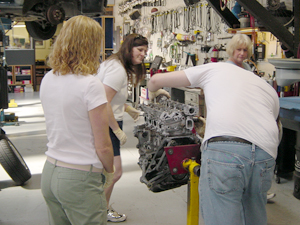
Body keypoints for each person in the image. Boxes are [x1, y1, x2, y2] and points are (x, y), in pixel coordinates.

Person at [148, 61, 280, 225]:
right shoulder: (266, 86)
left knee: (222, 216)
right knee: (254, 214)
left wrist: (153, 91)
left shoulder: (215, 68)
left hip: (226, 151)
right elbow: (271, 121)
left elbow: (155, 80)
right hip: (265, 153)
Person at [40, 15, 114, 225]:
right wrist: (110, 171)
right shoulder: (90, 84)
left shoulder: (48, 78)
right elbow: (103, 145)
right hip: (79, 177)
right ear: (91, 46)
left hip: (50, 172)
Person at [96, 33, 151, 222]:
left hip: (107, 119)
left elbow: (107, 97)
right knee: (115, 172)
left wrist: (126, 108)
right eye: (140, 50)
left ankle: (100, 208)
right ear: (129, 48)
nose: (144, 54)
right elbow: (103, 101)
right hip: (107, 123)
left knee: (106, 173)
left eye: (145, 51)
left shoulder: (114, 64)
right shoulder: (117, 70)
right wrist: (116, 129)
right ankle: (98, 210)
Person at [226, 33, 277, 202]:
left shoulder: (247, 68)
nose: (241, 53)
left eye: (245, 50)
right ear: (231, 50)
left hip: (249, 117)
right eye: (238, 50)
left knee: (254, 159)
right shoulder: (226, 69)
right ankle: (237, 192)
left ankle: (257, 192)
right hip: (234, 119)